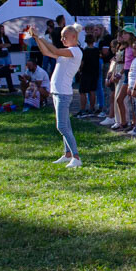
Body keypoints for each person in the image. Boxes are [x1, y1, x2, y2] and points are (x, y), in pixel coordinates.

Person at [28, 23, 84, 168]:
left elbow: (54, 50)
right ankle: (68, 154)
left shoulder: (75, 51)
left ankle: (76, 157)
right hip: (58, 92)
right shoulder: (66, 53)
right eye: (61, 37)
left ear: (74, 37)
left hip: (63, 93)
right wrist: (36, 38)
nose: (62, 39)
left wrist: (40, 36)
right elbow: (46, 52)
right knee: (66, 126)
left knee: (62, 127)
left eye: (65, 37)